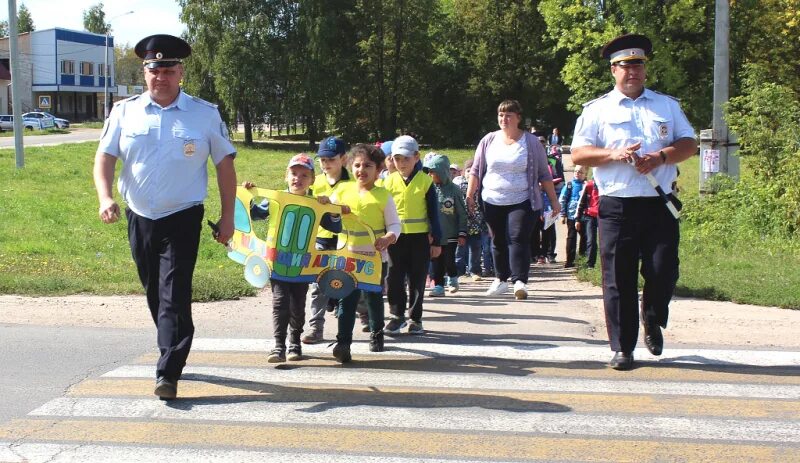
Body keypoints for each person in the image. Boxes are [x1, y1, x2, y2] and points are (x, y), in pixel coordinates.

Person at [93, 34, 237, 400]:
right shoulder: (124, 112)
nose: (161, 76)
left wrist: (228, 217)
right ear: (145, 73)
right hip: (139, 216)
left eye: (168, 69)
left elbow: (224, 165)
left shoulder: (204, 114)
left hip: (183, 216)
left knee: (173, 293)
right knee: (156, 292)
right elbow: (105, 158)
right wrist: (105, 197)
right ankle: (174, 342)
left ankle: (168, 371)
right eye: (154, 69)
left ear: (180, 73)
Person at [571, 34, 697, 370]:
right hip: (617, 205)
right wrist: (612, 154)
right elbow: (580, 153)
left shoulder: (665, 106)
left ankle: (652, 315)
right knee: (618, 278)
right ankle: (622, 347)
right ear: (613, 70)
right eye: (626, 66)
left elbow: (689, 144)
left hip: (658, 203)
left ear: (645, 69)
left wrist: (659, 157)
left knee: (663, 269)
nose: (633, 72)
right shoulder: (597, 110)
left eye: (638, 65)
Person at [243, 154, 342, 363]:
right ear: (286, 176)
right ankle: (279, 346)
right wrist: (248, 194)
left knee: (297, 304)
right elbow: (256, 214)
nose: (298, 178)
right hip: (277, 263)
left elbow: (335, 227)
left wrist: (330, 208)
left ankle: (295, 342)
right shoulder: (276, 198)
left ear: (312, 180)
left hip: (302, 266)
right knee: (280, 303)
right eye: (294, 173)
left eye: (304, 175)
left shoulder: (315, 203)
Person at [466, 100, 560, 300]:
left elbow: (544, 174)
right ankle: (501, 279)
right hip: (491, 199)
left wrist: (554, 201)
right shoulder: (489, 140)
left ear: (519, 118)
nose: (504, 119)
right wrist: (470, 194)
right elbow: (475, 170)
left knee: (518, 237)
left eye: (508, 115)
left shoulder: (531, 142)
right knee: (498, 239)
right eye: (501, 115)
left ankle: (519, 281)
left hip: (523, 199)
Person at [330, 144, 401, 362]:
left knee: (373, 298)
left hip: (374, 259)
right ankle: (343, 343)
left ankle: (376, 333)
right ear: (350, 166)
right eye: (358, 165)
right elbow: (327, 217)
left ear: (379, 169)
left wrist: (389, 238)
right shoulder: (341, 191)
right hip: (346, 259)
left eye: (368, 165)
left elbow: (395, 225)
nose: (362, 170)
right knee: (346, 301)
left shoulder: (383, 196)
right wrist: (326, 205)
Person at [383, 135, 442, 335]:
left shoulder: (426, 182)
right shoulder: (388, 182)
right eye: (397, 159)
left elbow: (434, 213)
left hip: (420, 239)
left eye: (406, 159)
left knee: (417, 280)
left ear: (417, 157)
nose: (401, 163)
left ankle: (415, 319)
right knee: (394, 279)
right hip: (395, 239)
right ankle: (396, 316)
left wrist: (437, 240)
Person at [302, 136, 352, 345]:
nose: (325, 164)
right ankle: (316, 327)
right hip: (321, 240)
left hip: (346, 241)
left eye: (330, 159)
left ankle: (358, 316)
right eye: (322, 159)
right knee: (318, 285)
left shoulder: (353, 183)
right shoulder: (316, 182)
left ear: (343, 159)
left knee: (349, 284)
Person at [424, 153, 468, 296]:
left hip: (451, 233)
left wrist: (462, 232)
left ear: (442, 172)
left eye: (433, 172)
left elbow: (462, 212)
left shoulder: (454, 190)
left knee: (449, 259)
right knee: (436, 260)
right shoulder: (429, 189)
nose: (430, 175)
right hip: (436, 233)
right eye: (429, 172)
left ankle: (453, 277)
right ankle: (439, 286)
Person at [455, 158, 485, 280]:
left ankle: (475, 271)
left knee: (475, 249)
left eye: (473, 171)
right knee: (460, 249)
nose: (470, 174)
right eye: (468, 171)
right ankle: (459, 271)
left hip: (476, 223)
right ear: (463, 172)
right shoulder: (459, 185)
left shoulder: (481, 186)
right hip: (461, 224)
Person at [560, 165, 588, 268]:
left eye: (580, 172)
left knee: (585, 237)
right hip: (571, 215)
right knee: (571, 237)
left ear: (585, 174)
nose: (577, 173)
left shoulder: (586, 185)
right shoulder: (569, 185)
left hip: (584, 216)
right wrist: (563, 214)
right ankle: (569, 260)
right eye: (576, 171)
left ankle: (582, 258)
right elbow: (562, 199)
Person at [576, 178, 600, 268]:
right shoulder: (589, 185)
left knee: (605, 241)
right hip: (590, 215)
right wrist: (578, 219)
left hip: (604, 215)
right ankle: (590, 264)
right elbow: (581, 202)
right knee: (591, 240)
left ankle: (606, 264)